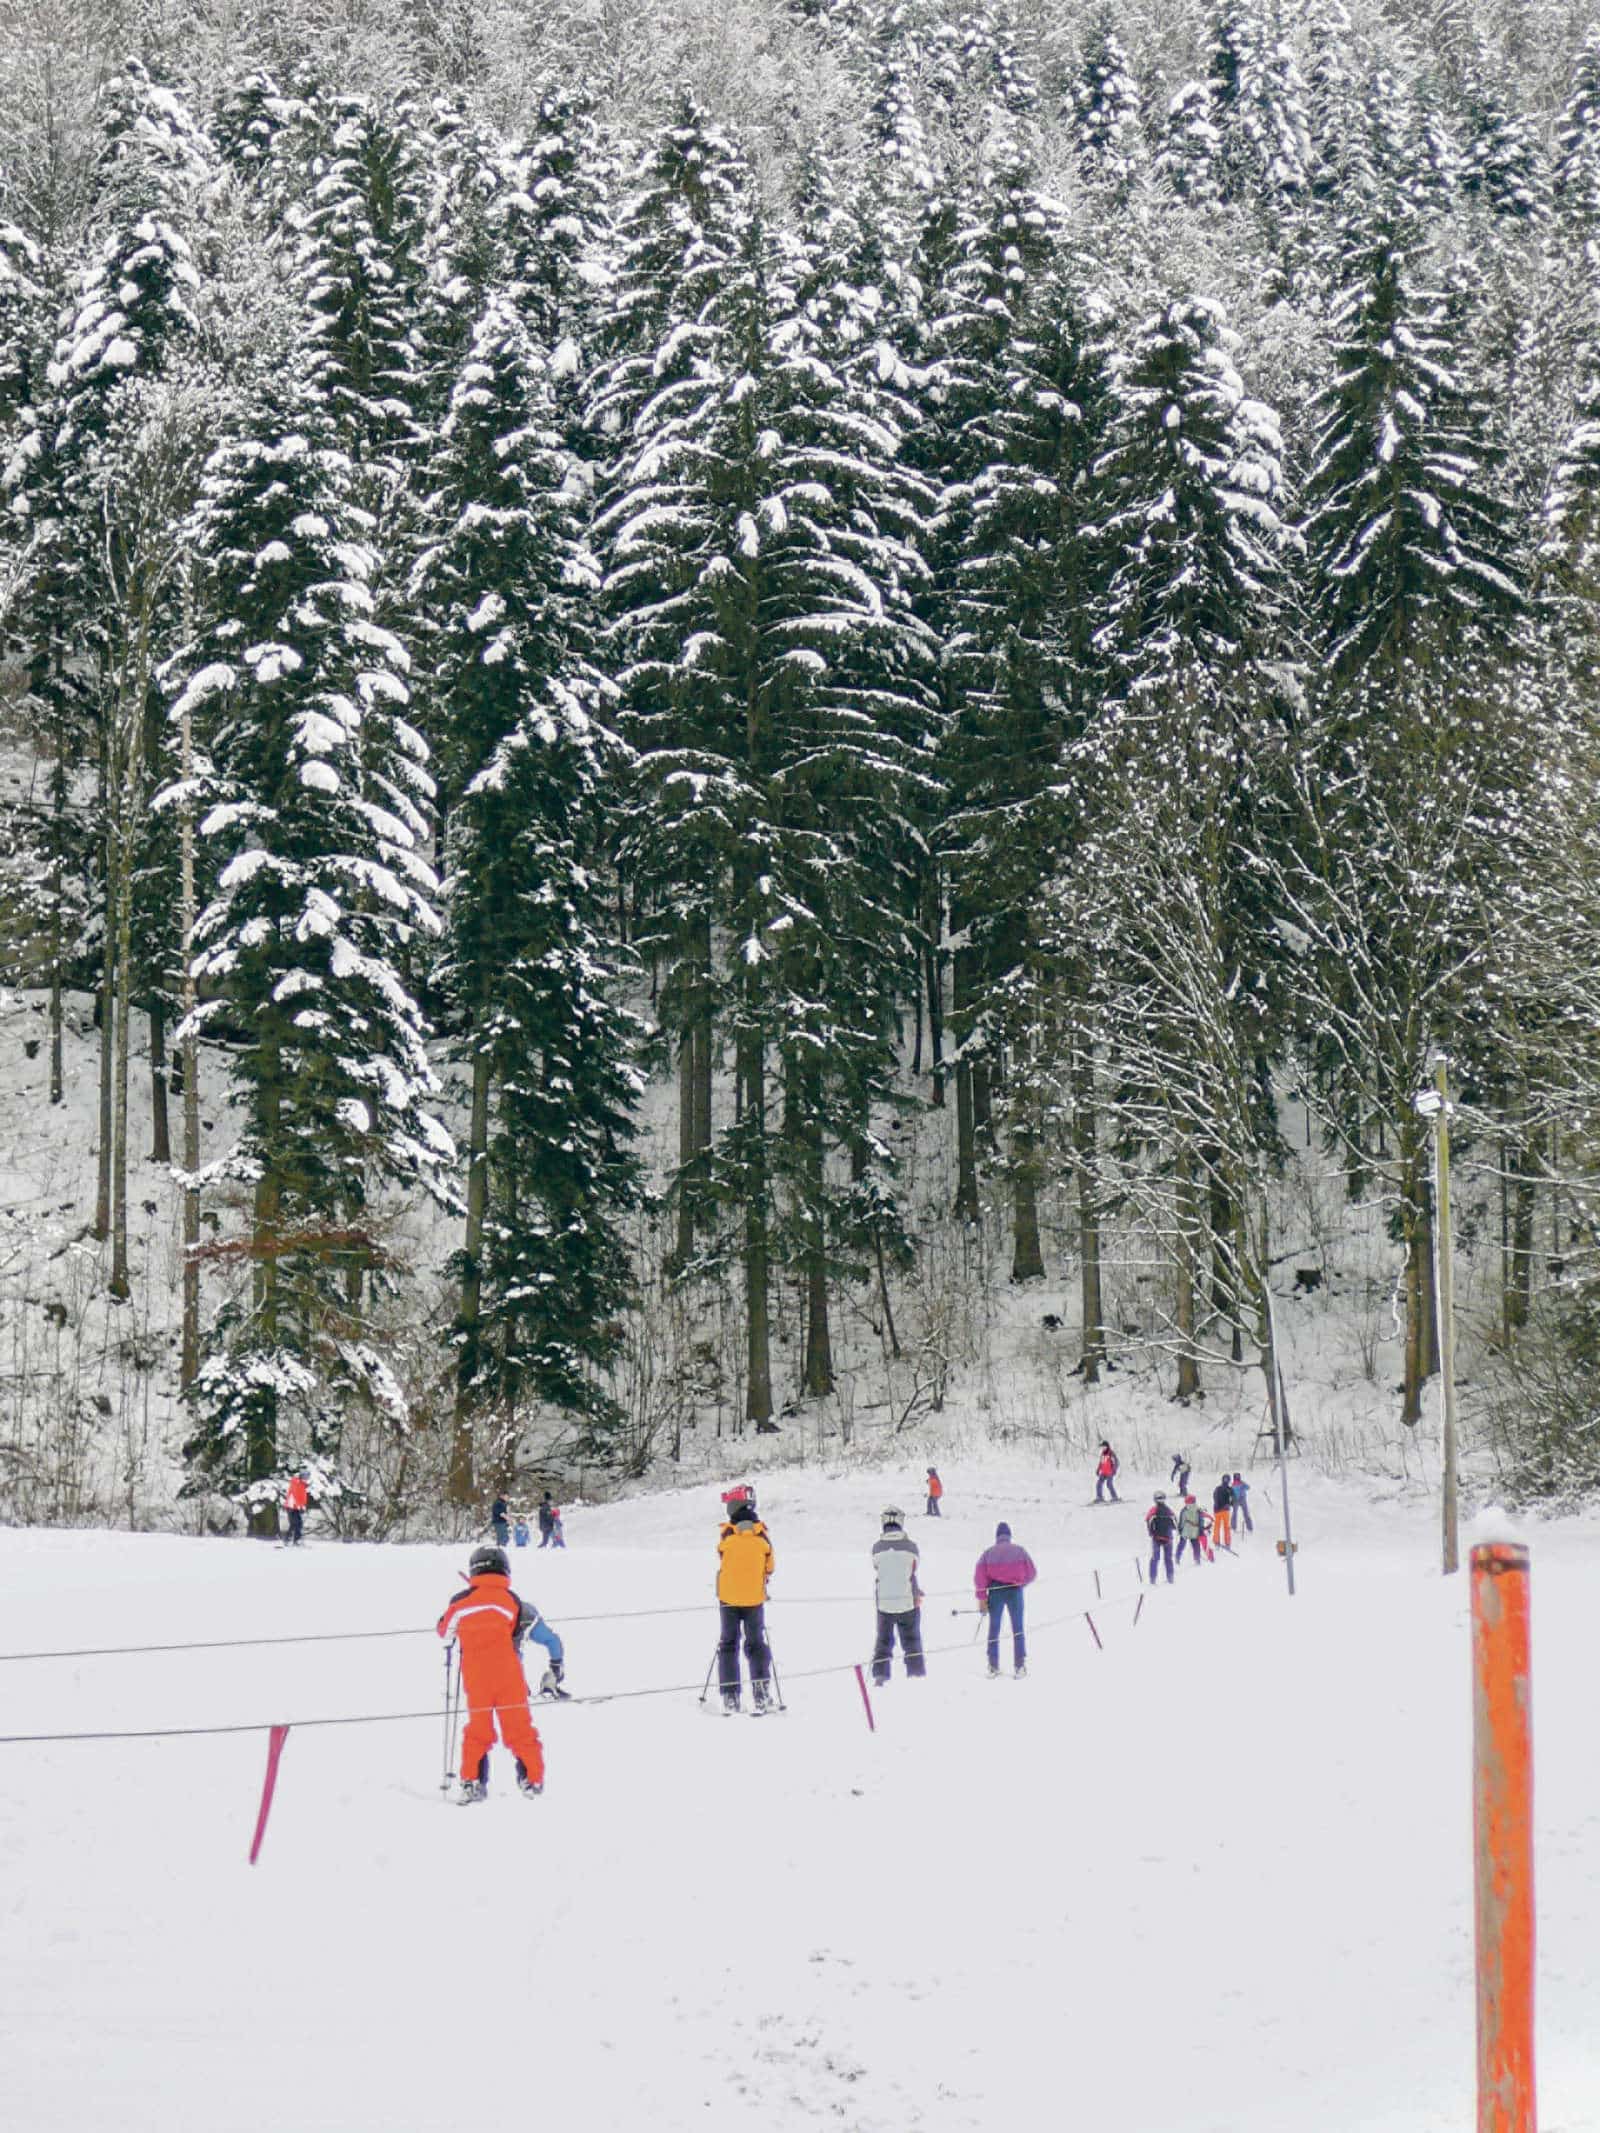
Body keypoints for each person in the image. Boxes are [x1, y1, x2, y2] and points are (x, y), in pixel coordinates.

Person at [436, 1544, 547, 1803]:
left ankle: (473, 1781)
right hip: (509, 1673)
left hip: (477, 1678)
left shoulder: (461, 1602)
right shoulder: (511, 1600)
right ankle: (532, 1778)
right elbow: (513, 1629)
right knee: (519, 1727)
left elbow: (444, 1631)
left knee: (478, 1730)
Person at [716, 1498, 776, 1713]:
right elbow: (770, 1567)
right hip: (754, 1599)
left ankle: (730, 1697)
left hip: (728, 1598)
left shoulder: (727, 1534)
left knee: (728, 1644)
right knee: (756, 1644)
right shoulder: (762, 1536)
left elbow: (721, 1555)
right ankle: (761, 1693)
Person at [974, 1522, 1037, 1678]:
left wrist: (982, 1598)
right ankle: (1019, 1666)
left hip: (995, 1590)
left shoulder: (988, 1553)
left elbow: (980, 1577)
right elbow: (1032, 1573)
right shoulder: (1020, 1551)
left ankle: (993, 1666)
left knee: (994, 1628)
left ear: (997, 1536)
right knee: (1018, 1628)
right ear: (1009, 1535)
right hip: (1015, 1590)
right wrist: (1021, 1583)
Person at [870, 1508, 926, 1684]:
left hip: (884, 1604)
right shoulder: (911, 1547)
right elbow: (913, 1569)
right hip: (907, 1602)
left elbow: (877, 1567)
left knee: (883, 1641)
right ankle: (916, 1675)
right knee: (912, 1641)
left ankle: (880, 1675)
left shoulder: (876, 1548)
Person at [1146, 1491, 1177, 1584]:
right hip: (1168, 1537)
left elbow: (1148, 1521)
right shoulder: (1168, 1510)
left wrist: (1151, 1533)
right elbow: (1175, 1523)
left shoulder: (1153, 1510)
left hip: (1156, 1537)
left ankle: (1152, 1578)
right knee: (1168, 1558)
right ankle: (1170, 1577)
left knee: (1155, 1558)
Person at [1175, 1494, 1211, 1567]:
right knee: (1196, 1545)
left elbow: (1182, 1521)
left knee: (1181, 1545)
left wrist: (1180, 1529)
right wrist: (1201, 1529)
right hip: (1195, 1531)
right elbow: (1201, 1521)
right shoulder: (1198, 1510)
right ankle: (1197, 1559)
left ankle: (1177, 1558)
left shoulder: (1184, 1510)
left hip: (1185, 1531)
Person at [284, 1470, 309, 1546]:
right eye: (304, 1476)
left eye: (307, 1477)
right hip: (291, 1506)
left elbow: (302, 1497)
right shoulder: (296, 1483)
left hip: (296, 1507)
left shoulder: (302, 1484)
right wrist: (300, 1506)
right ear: (301, 1476)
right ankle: (293, 1540)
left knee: (296, 1524)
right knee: (296, 1523)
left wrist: (302, 1506)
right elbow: (295, 1495)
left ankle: (291, 1540)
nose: (306, 1478)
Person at [1212, 1475, 1235, 1550]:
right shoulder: (1220, 1488)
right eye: (1225, 1479)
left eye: (1226, 1479)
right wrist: (1229, 1504)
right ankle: (1218, 1542)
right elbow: (1215, 1498)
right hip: (1220, 1510)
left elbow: (1233, 1499)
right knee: (1219, 1526)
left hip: (1223, 1510)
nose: (1226, 1481)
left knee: (1224, 1527)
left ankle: (1225, 1542)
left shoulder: (1228, 1489)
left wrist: (1229, 1504)